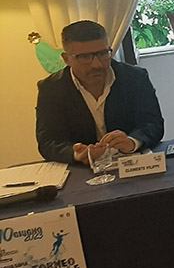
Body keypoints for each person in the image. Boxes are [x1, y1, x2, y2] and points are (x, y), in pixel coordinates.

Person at [35, 20, 164, 164]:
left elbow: (153, 123)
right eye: (84, 57)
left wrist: (132, 141)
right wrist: (76, 153)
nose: (96, 64)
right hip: (82, 169)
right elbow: (48, 141)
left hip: (130, 162)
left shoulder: (134, 77)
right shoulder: (51, 88)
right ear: (66, 59)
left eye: (102, 53)